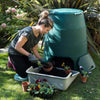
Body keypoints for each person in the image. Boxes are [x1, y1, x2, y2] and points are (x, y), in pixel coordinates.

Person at [8, 10, 53, 81]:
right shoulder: (27, 32)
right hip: (15, 52)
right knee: (24, 75)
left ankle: (17, 62)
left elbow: (34, 49)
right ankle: (11, 60)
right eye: (47, 30)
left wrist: (40, 59)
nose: (46, 32)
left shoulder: (39, 34)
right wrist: (30, 55)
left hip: (24, 52)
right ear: (43, 25)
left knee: (35, 69)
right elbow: (17, 47)